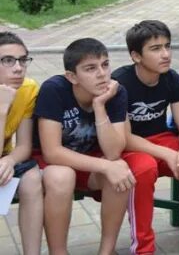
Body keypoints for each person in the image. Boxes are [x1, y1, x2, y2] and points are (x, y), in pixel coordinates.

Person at [112, 20, 179, 255]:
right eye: (156, 48)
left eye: (167, 46)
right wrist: (168, 154)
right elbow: (125, 138)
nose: (165, 54)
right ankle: (143, 249)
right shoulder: (121, 83)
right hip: (131, 147)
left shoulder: (172, 79)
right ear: (136, 56)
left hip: (162, 139)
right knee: (144, 169)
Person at [33, 38, 135, 255]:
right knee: (62, 176)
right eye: (91, 68)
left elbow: (113, 151)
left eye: (105, 65)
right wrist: (105, 166)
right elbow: (51, 152)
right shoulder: (54, 90)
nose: (102, 74)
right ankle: (58, 252)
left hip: (86, 161)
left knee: (120, 172)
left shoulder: (116, 92)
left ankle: (106, 251)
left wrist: (99, 106)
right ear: (71, 76)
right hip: (50, 164)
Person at [0, 32, 43, 255]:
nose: (18, 68)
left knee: (32, 176)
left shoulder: (28, 89)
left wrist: (10, 159)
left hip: (3, 155)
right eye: (8, 60)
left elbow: (25, 146)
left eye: (22, 59)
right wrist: (2, 109)